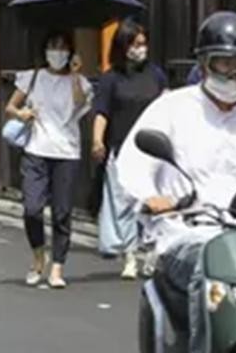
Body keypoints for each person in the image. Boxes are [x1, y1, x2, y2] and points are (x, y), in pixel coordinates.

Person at [117, 11, 236, 353]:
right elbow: (132, 164)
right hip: (187, 233)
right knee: (208, 264)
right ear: (204, 64)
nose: (233, 73)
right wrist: (152, 197)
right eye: (224, 63)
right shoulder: (172, 108)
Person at [5, 30, 92, 289]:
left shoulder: (81, 82)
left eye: (63, 47)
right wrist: (22, 114)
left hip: (67, 152)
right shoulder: (33, 77)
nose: (58, 52)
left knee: (62, 212)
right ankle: (38, 256)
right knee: (32, 208)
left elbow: (79, 104)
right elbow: (10, 106)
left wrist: (75, 74)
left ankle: (57, 267)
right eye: (53, 46)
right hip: (36, 149)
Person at [91, 20, 167, 279]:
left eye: (143, 44)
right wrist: (97, 140)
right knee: (123, 203)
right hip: (122, 147)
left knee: (152, 204)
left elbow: (167, 105)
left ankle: (152, 253)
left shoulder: (156, 74)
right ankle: (130, 256)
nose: (140, 49)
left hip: (153, 149)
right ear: (122, 47)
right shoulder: (111, 79)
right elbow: (101, 112)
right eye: (134, 44)